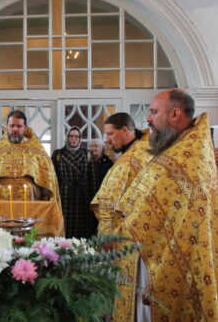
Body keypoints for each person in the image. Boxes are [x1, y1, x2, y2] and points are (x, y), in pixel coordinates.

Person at [114, 89, 218, 321]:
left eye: (153, 111)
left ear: (175, 113)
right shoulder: (181, 149)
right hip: (151, 253)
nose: (148, 118)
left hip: (163, 263)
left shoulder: (185, 159)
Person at [89, 112, 152, 322]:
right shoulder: (131, 153)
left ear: (125, 130)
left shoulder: (140, 155)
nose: (106, 139)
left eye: (110, 134)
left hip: (130, 239)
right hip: (117, 236)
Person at [0, 110, 60, 204]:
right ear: (7, 126)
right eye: (12, 126)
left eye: (19, 126)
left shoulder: (36, 150)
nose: (15, 129)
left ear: (25, 128)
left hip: (29, 198)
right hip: (1, 197)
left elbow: (47, 179)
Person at [52, 127, 93, 238]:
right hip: (65, 193)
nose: (73, 139)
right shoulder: (58, 154)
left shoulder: (87, 155)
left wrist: (93, 199)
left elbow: (92, 179)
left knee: (82, 225)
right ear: (67, 138)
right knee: (65, 223)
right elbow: (53, 177)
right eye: (71, 136)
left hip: (82, 195)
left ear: (80, 139)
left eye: (76, 136)